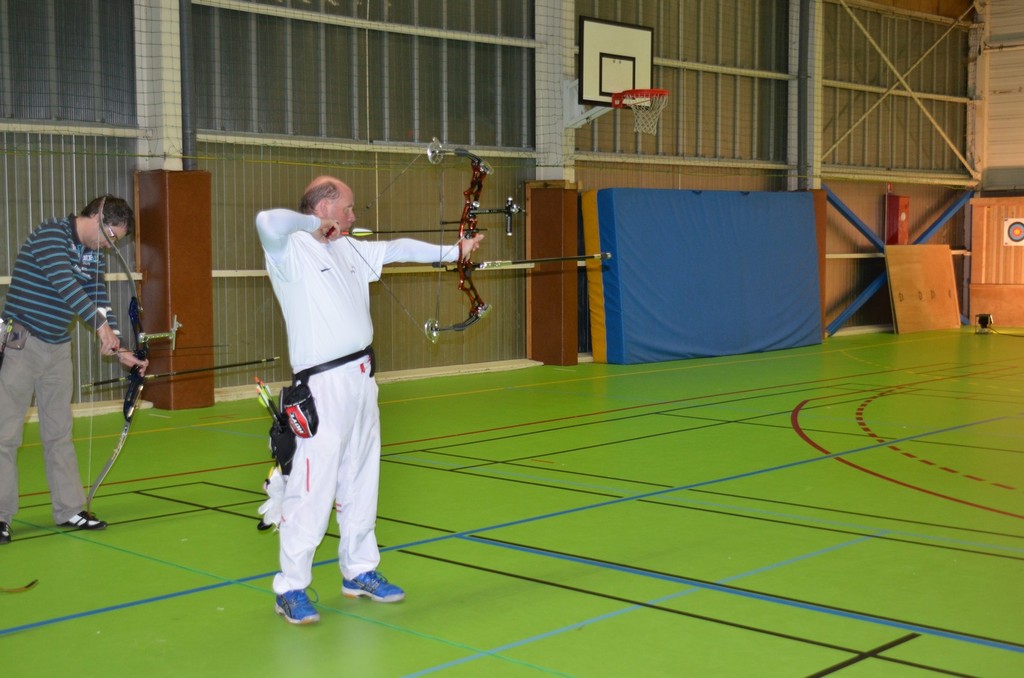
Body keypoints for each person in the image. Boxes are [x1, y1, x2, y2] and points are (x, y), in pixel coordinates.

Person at [255, 176, 483, 625]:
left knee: (361, 481)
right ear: (324, 207)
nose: (354, 216)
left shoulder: (351, 249)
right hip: (321, 388)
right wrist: (314, 226)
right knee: (312, 488)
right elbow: (266, 220)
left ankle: (358, 571)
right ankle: (291, 587)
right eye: (348, 208)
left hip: (362, 380)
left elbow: (398, 248)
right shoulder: (289, 251)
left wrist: (453, 252)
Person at [0, 195, 148, 546]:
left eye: (116, 241)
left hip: (57, 347)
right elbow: (65, 284)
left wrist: (120, 348)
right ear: (97, 216)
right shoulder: (50, 234)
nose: (110, 245)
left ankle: (68, 509)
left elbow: (97, 297)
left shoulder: (94, 254)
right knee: (5, 434)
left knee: (59, 433)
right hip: (21, 342)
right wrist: (100, 328)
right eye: (110, 236)